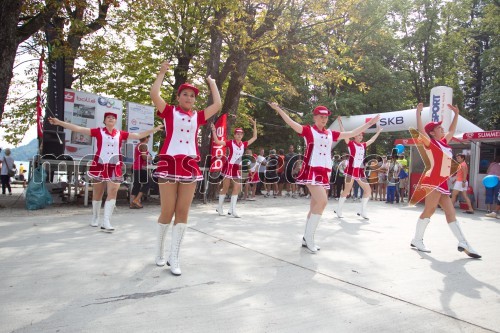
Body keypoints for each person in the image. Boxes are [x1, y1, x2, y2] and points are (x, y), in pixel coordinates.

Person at [269, 102, 380, 253]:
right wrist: (278, 109)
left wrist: (370, 124)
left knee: (315, 205)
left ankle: (306, 238)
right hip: (311, 171)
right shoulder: (308, 131)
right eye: (321, 117)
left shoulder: (330, 133)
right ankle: (309, 238)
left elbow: (352, 132)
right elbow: (291, 122)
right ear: (314, 117)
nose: (324, 119)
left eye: (326, 117)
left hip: (324, 173)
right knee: (323, 201)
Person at [150, 61, 221, 276]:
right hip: (169, 162)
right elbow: (154, 93)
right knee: (167, 210)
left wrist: (212, 83)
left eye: (192, 95)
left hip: (189, 165)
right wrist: (162, 72)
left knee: (183, 211)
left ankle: (175, 256)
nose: (189, 98)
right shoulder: (169, 111)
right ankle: (160, 251)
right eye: (185, 94)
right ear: (179, 96)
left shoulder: (198, 116)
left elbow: (217, 104)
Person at [49, 114, 163, 231]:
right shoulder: (98, 132)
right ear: (104, 121)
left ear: (115, 121)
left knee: (113, 191)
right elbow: (78, 129)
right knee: (98, 193)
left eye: (113, 118)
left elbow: (138, 135)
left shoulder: (120, 133)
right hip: (100, 164)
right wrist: (59, 122)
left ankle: (106, 221)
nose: (111, 119)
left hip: (115, 166)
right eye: (108, 117)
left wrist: (154, 129)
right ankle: (95, 217)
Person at [410, 103, 481, 258]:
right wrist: (418, 113)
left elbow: (453, 130)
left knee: (451, 212)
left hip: (442, 182)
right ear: (432, 132)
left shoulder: (444, 143)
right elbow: (421, 130)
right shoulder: (431, 143)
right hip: (433, 179)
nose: (442, 129)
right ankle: (417, 239)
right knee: (430, 210)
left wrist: (456, 114)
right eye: (438, 128)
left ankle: (463, 242)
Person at [335, 123, 383, 219]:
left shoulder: (363, 145)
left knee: (368, 190)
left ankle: (363, 211)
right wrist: (340, 124)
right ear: (355, 135)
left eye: (361, 135)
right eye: (359, 135)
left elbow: (372, 140)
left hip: (360, 172)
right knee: (347, 191)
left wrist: (378, 132)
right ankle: (339, 210)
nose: (360, 137)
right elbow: (344, 133)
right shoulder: (351, 143)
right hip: (350, 171)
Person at [212, 118, 257, 218]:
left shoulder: (244, 144)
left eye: (241, 134)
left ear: (242, 136)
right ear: (234, 135)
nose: (239, 135)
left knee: (237, 188)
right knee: (225, 187)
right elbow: (217, 141)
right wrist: (214, 131)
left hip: (237, 167)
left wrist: (254, 125)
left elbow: (254, 137)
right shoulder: (230, 142)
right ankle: (219, 207)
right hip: (229, 166)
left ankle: (232, 209)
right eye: (237, 134)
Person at [130, 136, 152, 209]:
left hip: (135, 167)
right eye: (148, 138)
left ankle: (132, 203)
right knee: (147, 183)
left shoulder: (138, 145)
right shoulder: (143, 145)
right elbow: (143, 157)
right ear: (146, 138)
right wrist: (149, 157)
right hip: (139, 168)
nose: (149, 140)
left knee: (136, 185)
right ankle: (136, 200)